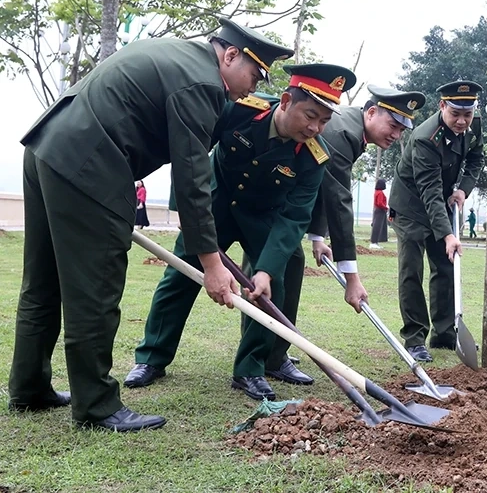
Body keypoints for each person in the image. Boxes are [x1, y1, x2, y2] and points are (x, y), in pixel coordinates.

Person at [8, 18, 291, 432]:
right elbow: (192, 180)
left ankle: (30, 387)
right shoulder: (203, 85)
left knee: (43, 282)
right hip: (90, 163)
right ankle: (98, 406)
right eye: (254, 73)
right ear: (230, 55)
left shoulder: (177, 54)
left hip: (48, 147)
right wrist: (212, 264)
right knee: (96, 288)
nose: (252, 85)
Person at [125, 64, 347, 401]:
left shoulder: (314, 158)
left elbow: (294, 217)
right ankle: (151, 358)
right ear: (286, 100)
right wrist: (186, 210)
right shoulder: (241, 109)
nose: (315, 128)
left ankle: (250, 369)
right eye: (310, 116)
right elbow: (191, 152)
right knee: (180, 275)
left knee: (272, 288)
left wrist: (267, 270)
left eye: (324, 121)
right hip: (215, 204)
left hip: (263, 217)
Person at [306, 83, 428, 362]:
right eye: (393, 125)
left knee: (285, 275)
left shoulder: (354, 131)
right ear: (371, 112)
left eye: (401, 130)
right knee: (280, 273)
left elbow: (324, 186)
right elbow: (339, 201)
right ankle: (259, 362)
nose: (396, 135)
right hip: (266, 203)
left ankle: (273, 356)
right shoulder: (344, 133)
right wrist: (353, 279)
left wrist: (317, 238)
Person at [389, 81, 485, 363]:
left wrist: (463, 189)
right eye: (455, 113)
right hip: (411, 207)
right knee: (412, 270)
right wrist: (448, 235)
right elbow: (428, 191)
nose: (461, 120)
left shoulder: (473, 126)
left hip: (440, 202)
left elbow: (477, 158)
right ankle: (415, 337)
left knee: (445, 267)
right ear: (442, 106)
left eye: (467, 114)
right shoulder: (425, 139)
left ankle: (444, 333)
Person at [370, 178, 389, 249]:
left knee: (377, 226)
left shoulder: (377, 192)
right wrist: (386, 208)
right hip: (380, 210)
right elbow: (380, 203)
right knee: (377, 226)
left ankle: (375, 242)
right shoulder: (380, 193)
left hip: (378, 210)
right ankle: (374, 242)